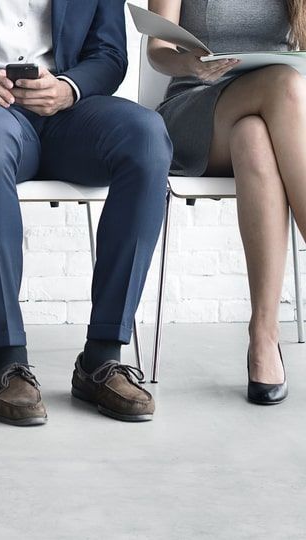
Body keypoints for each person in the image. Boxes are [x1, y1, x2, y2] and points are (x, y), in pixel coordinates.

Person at [0, 0, 172, 426]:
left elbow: (110, 54)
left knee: (146, 137)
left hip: (68, 118)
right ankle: (4, 360)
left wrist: (67, 88)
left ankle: (102, 357)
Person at [149, 0, 303, 405]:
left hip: (274, 116)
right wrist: (190, 65)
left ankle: (264, 337)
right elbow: (158, 50)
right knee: (285, 84)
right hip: (197, 105)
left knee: (253, 136)